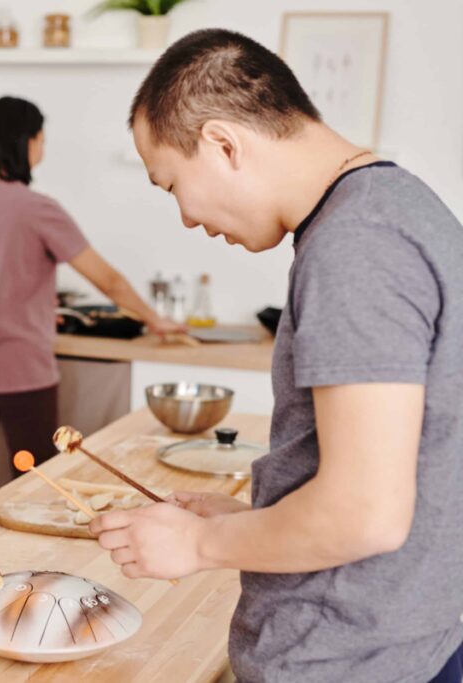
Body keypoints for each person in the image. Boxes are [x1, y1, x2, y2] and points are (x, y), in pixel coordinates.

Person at [90, 28, 463, 683]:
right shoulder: (396, 206)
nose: (184, 217)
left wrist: (198, 543)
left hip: (354, 661)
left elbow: (366, 512)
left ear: (222, 143)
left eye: (171, 184)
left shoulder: (356, 246)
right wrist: (260, 519)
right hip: (407, 638)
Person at [0, 95, 184, 515]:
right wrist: (154, 320)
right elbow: (108, 279)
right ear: (25, 142)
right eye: (41, 138)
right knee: (38, 477)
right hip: (21, 367)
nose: (42, 148)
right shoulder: (36, 208)